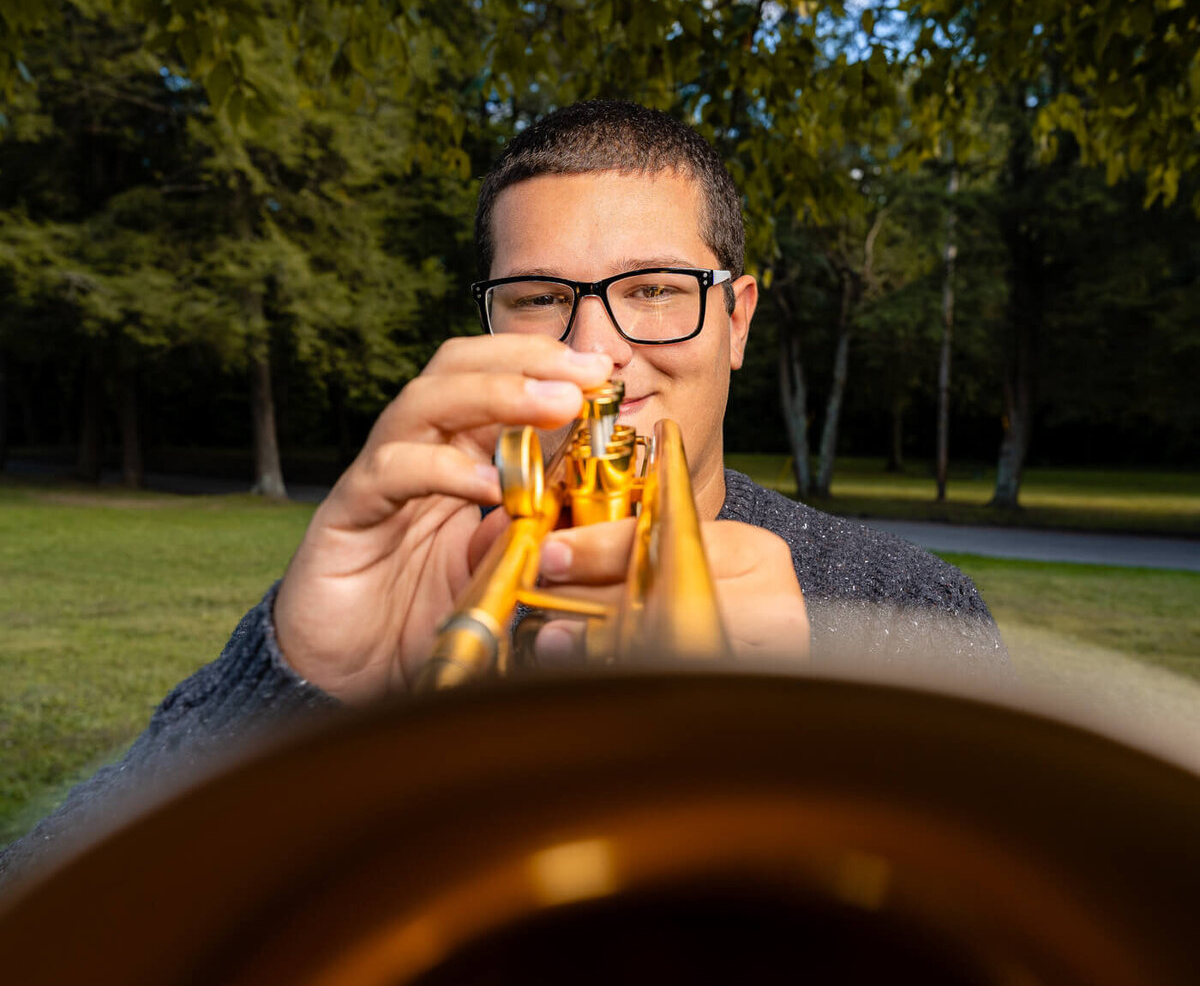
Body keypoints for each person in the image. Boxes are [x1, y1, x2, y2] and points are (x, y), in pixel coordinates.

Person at [3, 101, 1002, 885]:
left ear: (735, 320)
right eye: (539, 298)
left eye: (654, 289)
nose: (598, 353)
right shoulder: (424, 580)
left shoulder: (907, 612)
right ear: (488, 323)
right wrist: (297, 684)